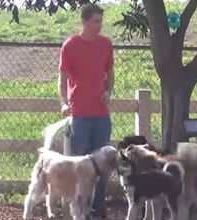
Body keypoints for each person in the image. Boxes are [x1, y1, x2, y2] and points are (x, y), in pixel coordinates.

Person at [58, 3, 114, 219]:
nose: (99, 25)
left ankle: (97, 209)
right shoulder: (70, 45)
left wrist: (109, 91)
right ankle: (79, 211)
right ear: (84, 21)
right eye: (95, 21)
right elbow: (62, 78)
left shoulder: (106, 44)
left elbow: (110, 72)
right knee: (79, 167)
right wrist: (64, 102)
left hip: (101, 116)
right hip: (79, 116)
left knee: (103, 167)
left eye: (101, 21)